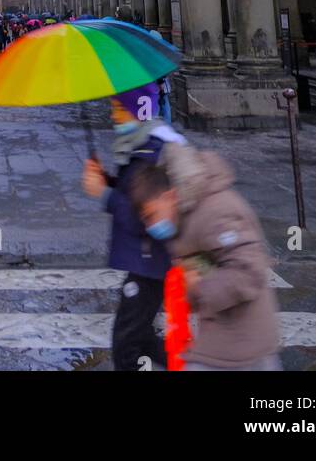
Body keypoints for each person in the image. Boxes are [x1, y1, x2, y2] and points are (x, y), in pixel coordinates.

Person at [128, 145, 281, 372]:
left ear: (169, 196)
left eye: (152, 216)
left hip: (241, 346)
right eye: (146, 221)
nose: (151, 226)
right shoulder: (183, 215)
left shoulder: (215, 211)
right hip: (220, 338)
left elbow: (248, 270)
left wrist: (200, 287)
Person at [81, 86, 186, 372]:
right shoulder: (141, 144)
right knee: (142, 337)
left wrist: (104, 193)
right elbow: (135, 194)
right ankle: (190, 364)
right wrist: (109, 181)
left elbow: (147, 216)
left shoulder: (151, 150)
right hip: (147, 260)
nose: (114, 116)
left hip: (151, 258)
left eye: (119, 108)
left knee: (126, 342)